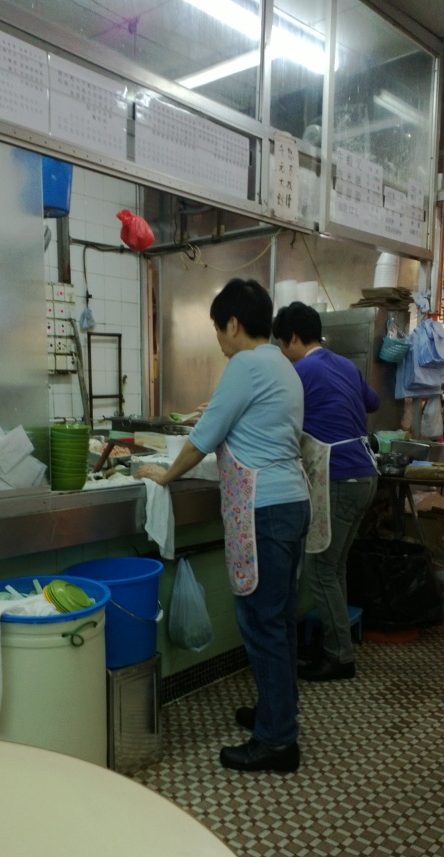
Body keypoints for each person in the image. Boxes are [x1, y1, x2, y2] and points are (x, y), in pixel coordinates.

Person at [136, 279, 311, 773]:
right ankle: (277, 713)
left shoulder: (245, 365)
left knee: (261, 624)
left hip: (266, 510)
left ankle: (278, 742)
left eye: (218, 329)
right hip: (291, 504)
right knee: (278, 622)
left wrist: (166, 474)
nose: (218, 339)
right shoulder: (283, 364)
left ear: (233, 324)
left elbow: (205, 435)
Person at [272, 301, 379, 682]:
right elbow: (373, 402)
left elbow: (271, 413)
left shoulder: (300, 370)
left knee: (319, 569)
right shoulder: (345, 364)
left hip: (339, 477)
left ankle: (339, 656)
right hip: (366, 474)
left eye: (283, 346)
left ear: (295, 339)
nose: (283, 355)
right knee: (334, 567)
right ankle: (338, 642)